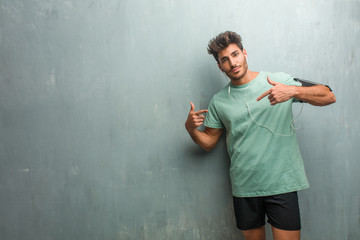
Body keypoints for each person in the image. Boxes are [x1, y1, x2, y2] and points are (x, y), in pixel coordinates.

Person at [185, 31, 336, 240]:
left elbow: (328, 95)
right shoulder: (219, 101)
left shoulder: (278, 81)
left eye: (235, 54)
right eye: (225, 60)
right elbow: (209, 142)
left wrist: (292, 92)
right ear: (220, 66)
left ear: (244, 53)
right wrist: (192, 130)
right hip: (245, 187)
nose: (232, 63)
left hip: (282, 184)